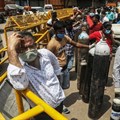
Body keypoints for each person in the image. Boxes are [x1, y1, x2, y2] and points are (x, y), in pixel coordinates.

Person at [7, 31, 65, 120]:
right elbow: (20, 85)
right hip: (41, 111)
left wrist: (58, 85)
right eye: (23, 48)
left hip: (59, 102)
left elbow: (56, 65)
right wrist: (11, 50)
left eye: (31, 46)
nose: (28, 50)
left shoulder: (45, 53)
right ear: (17, 50)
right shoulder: (17, 67)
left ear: (36, 45)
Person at [47, 21, 89, 114]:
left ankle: (60, 103)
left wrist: (88, 46)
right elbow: (47, 60)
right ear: (55, 31)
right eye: (60, 32)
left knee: (64, 87)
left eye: (63, 31)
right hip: (57, 70)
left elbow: (76, 44)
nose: (62, 33)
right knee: (58, 89)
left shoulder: (65, 38)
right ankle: (61, 107)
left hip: (65, 67)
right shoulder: (51, 44)